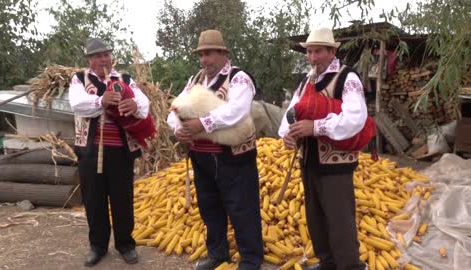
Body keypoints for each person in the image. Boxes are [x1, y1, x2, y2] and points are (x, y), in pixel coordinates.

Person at [167, 30, 263, 270]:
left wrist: (203, 123)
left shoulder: (239, 78)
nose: (204, 60)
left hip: (234, 156)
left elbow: (237, 110)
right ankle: (218, 253)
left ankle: (251, 258)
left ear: (223, 53)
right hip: (202, 155)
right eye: (201, 55)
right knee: (210, 207)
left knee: (242, 207)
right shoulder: (196, 80)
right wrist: (177, 128)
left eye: (208, 54)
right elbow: (174, 108)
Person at [279, 28, 368, 270]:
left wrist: (315, 127)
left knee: (340, 221)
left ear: (332, 51)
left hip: (336, 165)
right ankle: (327, 263)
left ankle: (349, 266)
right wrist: (288, 133)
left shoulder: (346, 78)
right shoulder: (308, 80)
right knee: (315, 219)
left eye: (318, 51)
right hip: (309, 161)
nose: (313, 57)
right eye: (309, 52)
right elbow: (292, 111)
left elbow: (355, 118)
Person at [69, 38, 151, 267]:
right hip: (91, 151)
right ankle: (98, 246)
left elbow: (144, 103)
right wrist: (100, 100)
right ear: (89, 60)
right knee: (94, 200)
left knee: (122, 199)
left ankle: (126, 245)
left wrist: (135, 106)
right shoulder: (79, 79)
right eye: (96, 56)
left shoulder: (124, 79)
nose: (102, 59)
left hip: (120, 152)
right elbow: (76, 104)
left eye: (105, 54)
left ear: (111, 56)